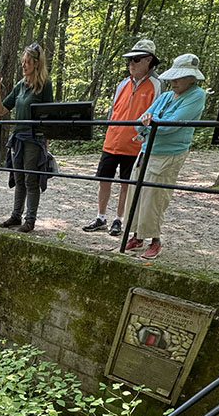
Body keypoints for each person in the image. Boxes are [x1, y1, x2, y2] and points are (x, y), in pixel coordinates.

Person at [125, 53, 206, 260]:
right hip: (146, 151)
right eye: (173, 77)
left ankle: (155, 240)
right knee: (136, 194)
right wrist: (148, 124)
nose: (174, 81)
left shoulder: (197, 95)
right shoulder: (165, 96)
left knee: (155, 197)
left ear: (191, 77)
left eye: (179, 77)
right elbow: (139, 122)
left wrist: (150, 124)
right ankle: (137, 235)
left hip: (168, 153)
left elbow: (170, 126)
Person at [85, 39, 162, 237]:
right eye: (129, 60)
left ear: (148, 60)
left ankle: (119, 219)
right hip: (112, 140)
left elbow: (156, 115)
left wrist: (143, 136)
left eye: (135, 59)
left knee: (126, 183)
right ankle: (101, 217)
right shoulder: (122, 84)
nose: (131, 64)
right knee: (104, 179)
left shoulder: (156, 85)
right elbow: (113, 111)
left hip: (134, 144)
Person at [0, 44, 54, 233]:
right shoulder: (20, 85)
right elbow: (1, 111)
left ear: (36, 63)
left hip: (34, 138)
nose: (24, 65)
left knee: (30, 180)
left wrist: (46, 140)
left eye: (27, 62)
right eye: (22, 62)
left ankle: (30, 220)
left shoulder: (45, 85)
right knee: (18, 178)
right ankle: (15, 215)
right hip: (18, 137)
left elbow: (50, 115)